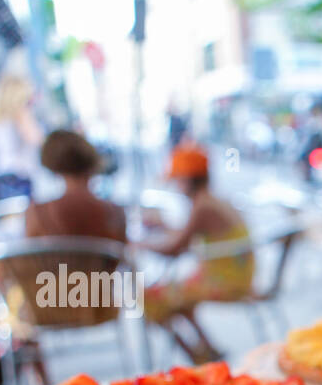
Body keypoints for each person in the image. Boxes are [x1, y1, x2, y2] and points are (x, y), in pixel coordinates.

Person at [139, 144, 255, 362]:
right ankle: (206, 350)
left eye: (177, 180)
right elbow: (189, 238)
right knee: (172, 297)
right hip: (236, 278)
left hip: (225, 283)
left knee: (146, 296)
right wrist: (163, 226)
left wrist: (140, 245)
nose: (175, 186)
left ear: (186, 180)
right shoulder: (213, 201)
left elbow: (175, 248)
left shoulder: (202, 206)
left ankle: (197, 356)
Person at [25, 130, 127, 241]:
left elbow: (31, 254)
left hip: (56, 259)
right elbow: (122, 253)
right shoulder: (114, 213)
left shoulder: (37, 214)